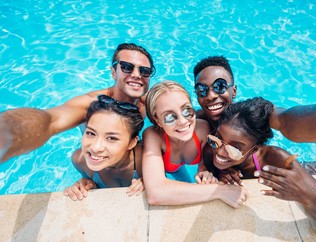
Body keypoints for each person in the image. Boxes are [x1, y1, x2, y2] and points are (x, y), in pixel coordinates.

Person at [203, 97, 316, 237]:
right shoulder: (211, 149)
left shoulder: (276, 159)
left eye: (235, 148)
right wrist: (221, 172)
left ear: (255, 149)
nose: (220, 151)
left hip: (293, 168)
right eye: (218, 138)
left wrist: (304, 194)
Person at [0, 42, 155, 163]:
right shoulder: (91, 104)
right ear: (113, 72)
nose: (136, 75)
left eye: (144, 71)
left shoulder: (147, 101)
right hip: (97, 159)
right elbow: (50, 121)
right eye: (127, 67)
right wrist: (7, 132)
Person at [193, 55, 316, 175]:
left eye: (220, 86)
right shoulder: (197, 120)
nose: (211, 95)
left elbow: (286, 120)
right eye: (202, 90)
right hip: (229, 161)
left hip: (254, 163)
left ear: (234, 91)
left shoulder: (253, 115)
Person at [142, 81, 247, 208]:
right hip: (166, 166)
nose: (182, 121)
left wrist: (203, 171)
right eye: (169, 117)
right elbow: (156, 194)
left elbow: (204, 163)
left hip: (175, 164)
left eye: (186, 110)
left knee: (185, 181)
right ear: (157, 120)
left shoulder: (202, 129)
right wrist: (219, 191)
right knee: (172, 175)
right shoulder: (152, 136)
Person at [63, 95, 144, 201]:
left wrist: (153, 179)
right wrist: (86, 184)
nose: (96, 148)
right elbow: (88, 181)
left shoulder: (146, 159)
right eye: (91, 133)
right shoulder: (80, 160)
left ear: (132, 142)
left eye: (111, 138)